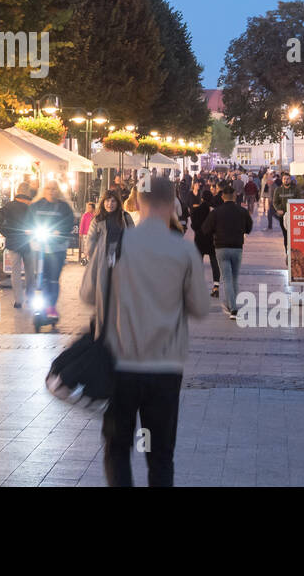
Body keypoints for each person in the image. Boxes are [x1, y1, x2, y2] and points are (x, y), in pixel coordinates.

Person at [80, 176, 211, 487]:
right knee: (161, 455)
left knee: (117, 448)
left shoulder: (115, 245)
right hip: (165, 367)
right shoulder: (183, 251)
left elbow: (87, 294)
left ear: (136, 202)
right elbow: (200, 308)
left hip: (119, 364)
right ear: (172, 204)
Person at [203, 181, 253, 318]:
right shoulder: (242, 211)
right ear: (235, 196)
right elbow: (249, 229)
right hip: (237, 247)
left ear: (223, 197)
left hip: (221, 248)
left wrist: (215, 231)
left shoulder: (216, 212)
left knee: (227, 278)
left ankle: (233, 308)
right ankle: (233, 305)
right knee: (234, 278)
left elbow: (205, 229)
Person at [28, 181, 76, 319]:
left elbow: (68, 223)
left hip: (57, 248)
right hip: (39, 247)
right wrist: (28, 230)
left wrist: (59, 232)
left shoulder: (63, 207)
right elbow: (28, 220)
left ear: (58, 191)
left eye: (54, 189)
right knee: (41, 278)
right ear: (43, 190)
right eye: (48, 188)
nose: (51, 191)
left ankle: (51, 306)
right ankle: (40, 305)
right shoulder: (35, 206)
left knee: (53, 278)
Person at [0, 183, 36, 308]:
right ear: (27, 194)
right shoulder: (31, 208)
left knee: (15, 271)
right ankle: (30, 297)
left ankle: (18, 300)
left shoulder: (8, 207)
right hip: (29, 243)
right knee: (30, 272)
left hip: (13, 243)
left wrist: (8, 234)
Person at [82, 189, 134, 268]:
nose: (110, 204)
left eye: (113, 201)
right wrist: (90, 254)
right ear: (103, 202)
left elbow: (133, 235)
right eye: (107, 200)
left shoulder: (125, 217)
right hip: (101, 258)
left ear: (117, 203)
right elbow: (91, 238)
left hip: (121, 258)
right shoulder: (97, 219)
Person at [272, 173, 302, 251]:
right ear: (282, 180)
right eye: (284, 179)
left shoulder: (295, 189)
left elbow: (300, 200)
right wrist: (278, 209)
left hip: (294, 216)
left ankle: (294, 251)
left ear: (290, 179)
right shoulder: (278, 190)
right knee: (286, 235)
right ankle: (287, 253)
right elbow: (275, 202)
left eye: (287, 179)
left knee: (294, 235)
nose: (286, 180)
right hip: (283, 216)